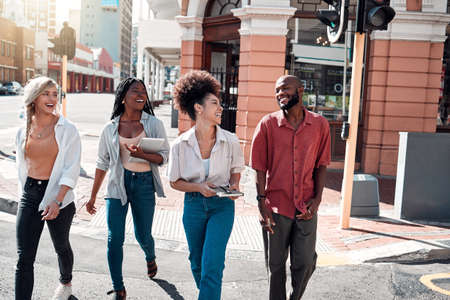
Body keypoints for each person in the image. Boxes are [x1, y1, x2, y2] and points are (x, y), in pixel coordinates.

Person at [86, 78, 169, 300]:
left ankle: (150, 256)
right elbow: (102, 163)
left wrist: (142, 154)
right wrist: (93, 196)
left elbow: (163, 158)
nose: (141, 94)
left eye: (144, 91)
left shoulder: (153, 124)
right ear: (123, 96)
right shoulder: (110, 128)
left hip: (144, 185)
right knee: (114, 238)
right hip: (117, 185)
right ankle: (118, 288)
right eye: (135, 91)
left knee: (143, 235)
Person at [251, 75, 331, 300]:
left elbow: (322, 164)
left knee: (305, 262)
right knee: (275, 267)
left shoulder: (320, 124)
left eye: (285, 88)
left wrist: (317, 200)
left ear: (300, 90)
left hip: (306, 207)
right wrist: (261, 202)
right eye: (277, 90)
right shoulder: (268, 124)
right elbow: (258, 167)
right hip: (276, 207)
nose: (280, 93)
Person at [168, 70, 245, 300]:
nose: (220, 107)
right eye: (214, 103)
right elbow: (175, 182)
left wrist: (233, 187)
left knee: (213, 263)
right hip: (193, 206)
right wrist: (199, 188)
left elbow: (236, 172)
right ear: (198, 108)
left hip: (222, 208)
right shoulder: (180, 144)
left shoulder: (230, 140)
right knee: (197, 261)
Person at [15, 76, 81, 300]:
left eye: (55, 94)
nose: (52, 98)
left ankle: (66, 283)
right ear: (34, 97)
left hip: (59, 195)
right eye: (46, 93)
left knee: (61, 245)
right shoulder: (23, 128)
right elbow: (23, 166)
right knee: (24, 257)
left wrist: (58, 200)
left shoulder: (67, 129)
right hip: (30, 193)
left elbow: (71, 168)